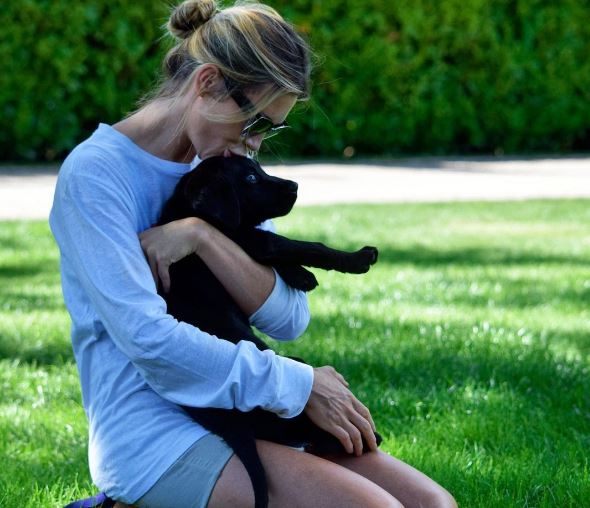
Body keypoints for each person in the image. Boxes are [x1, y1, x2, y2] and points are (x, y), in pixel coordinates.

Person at [51, 1, 457, 507]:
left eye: (271, 130)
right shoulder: (97, 175)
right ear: (207, 84)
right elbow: (150, 343)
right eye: (254, 122)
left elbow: (289, 317)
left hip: (244, 408)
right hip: (152, 431)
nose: (256, 144)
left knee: (432, 505)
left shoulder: (224, 163)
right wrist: (299, 384)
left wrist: (201, 234)